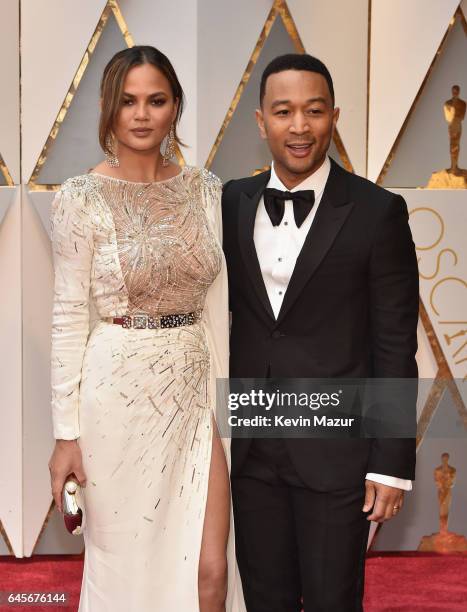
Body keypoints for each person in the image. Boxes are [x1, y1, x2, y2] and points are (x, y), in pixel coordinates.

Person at [48, 45, 245, 612]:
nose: (141, 115)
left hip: (192, 393)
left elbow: (219, 302)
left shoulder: (209, 191)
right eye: (128, 101)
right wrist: (66, 434)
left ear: (175, 107)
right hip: (114, 399)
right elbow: (66, 316)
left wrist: (230, 405)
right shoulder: (80, 197)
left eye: (156, 101)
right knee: (127, 574)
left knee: (210, 570)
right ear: (109, 110)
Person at [222, 54, 419, 611]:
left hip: (338, 453)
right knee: (264, 598)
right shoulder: (231, 201)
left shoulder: (378, 212)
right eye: (283, 112)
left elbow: (394, 343)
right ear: (261, 121)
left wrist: (391, 462)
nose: (299, 126)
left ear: (334, 116)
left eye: (313, 111)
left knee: (335, 600)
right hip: (254, 446)